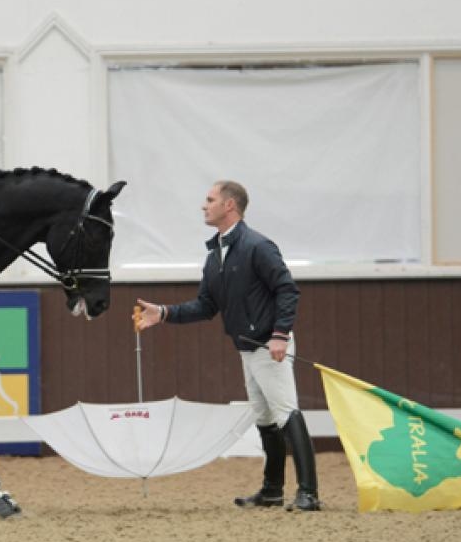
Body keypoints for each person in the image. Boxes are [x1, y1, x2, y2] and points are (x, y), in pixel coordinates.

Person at [135, 180, 321, 512]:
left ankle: (309, 492)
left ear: (229, 205)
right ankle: (273, 490)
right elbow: (205, 306)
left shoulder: (258, 246)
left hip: (269, 345)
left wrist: (280, 334)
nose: (203, 206)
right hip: (247, 348)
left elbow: (287, 290)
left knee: (286, 412)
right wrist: (163, 314)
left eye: (209, 200)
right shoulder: (215, 256)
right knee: (264, 417)